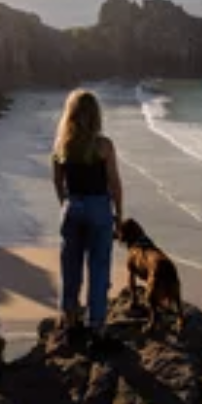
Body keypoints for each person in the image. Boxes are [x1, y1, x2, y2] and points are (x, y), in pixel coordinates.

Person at [52, 88, 123, 348]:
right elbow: (114, 183)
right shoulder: (103, 145)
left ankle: (70, 323)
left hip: (72, 208)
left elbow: (57, 181)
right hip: (98, 209)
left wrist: (66, 204)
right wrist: (119, 215)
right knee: (99, 268)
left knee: (70, 268)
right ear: (95, 115)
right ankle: (96, 328)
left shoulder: (62, 145)